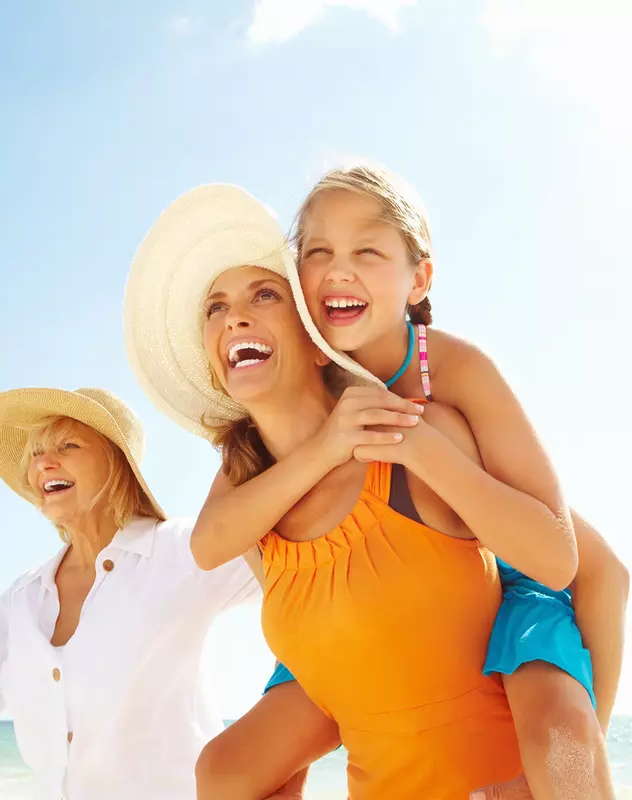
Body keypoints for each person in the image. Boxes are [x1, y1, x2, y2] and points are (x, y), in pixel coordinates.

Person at [124, 184, 625, 799]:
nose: (236, 316)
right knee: (224, 768)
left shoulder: (440, 385)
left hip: (512, 573)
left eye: (262, 293)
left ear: (313, 334)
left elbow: (578, 561)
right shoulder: (252, 468)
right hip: (339, 637)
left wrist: (414, 447)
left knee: (564, 738)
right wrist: (329, 448)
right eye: (216, 307)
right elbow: (206, 545)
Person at [0, 387, 258, 800]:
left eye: (68, 446)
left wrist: (281, 744)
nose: (43, 464)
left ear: (118, 464)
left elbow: (307, 582)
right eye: (35, 454)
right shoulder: (21, 601)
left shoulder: (183, 549)